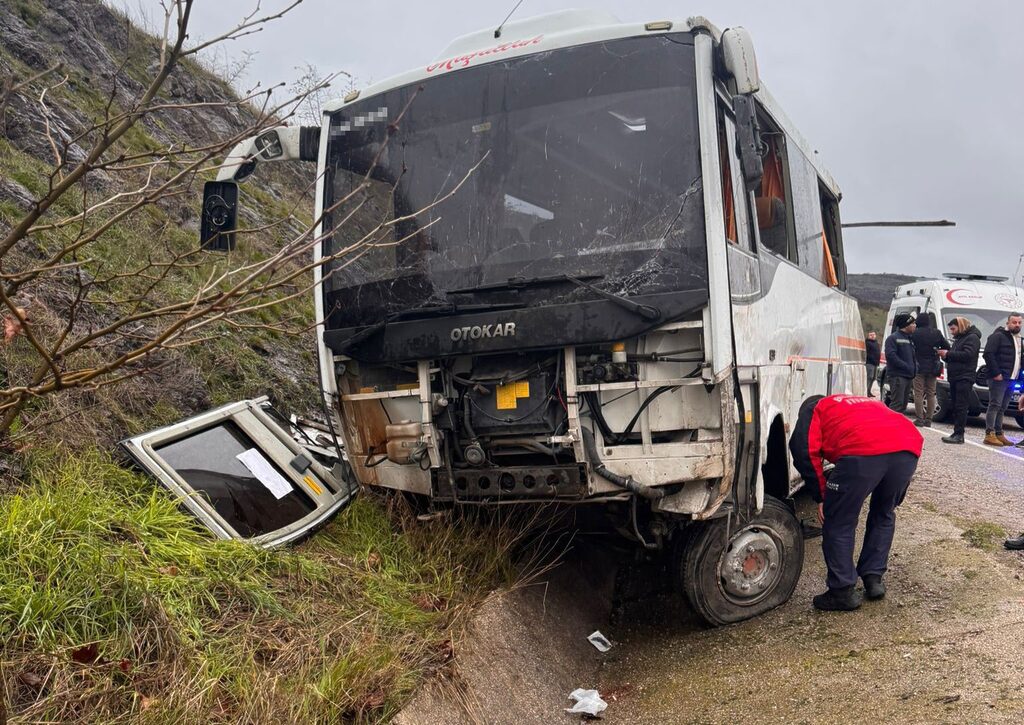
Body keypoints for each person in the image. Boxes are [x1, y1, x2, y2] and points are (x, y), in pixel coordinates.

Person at [789, 394, 923, 611]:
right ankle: (873, 578)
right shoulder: (860, 402)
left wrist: (821, 495)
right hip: (907, 447)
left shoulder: (814, 408)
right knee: (884, 513)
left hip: (862, 451)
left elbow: (803, 450)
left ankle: (841, 592)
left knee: (839, 521)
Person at [981, 311, 1023, 446]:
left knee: (1003, 407)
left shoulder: (1018, 339)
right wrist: (996, 373)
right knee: (995, 405)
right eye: (1014, 322)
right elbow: (988, 354)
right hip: (999, 378)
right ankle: (989, 433)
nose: (1017, 325)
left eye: (1019, 322)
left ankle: (999, 433)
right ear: (1008, 323)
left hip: (1012, 379)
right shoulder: (998, 336)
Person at [939, 317, 982, 444]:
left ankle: (959, 434)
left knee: (961, 406)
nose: (952, 332)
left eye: (953, 329)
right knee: (956, 405)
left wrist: (948, 354)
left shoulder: (972, 338)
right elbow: (956, 356)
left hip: (964, 377)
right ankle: (956, 432)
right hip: (956, 376)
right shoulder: (960, 339)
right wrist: (945, 356)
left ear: (961, 326)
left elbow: (967, 355)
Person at [910, 312, 949, 427]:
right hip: (933, 367)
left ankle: (919, 419)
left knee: (918, 393)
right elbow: (947, 346)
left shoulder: (915, 333)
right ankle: (929, 420)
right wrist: (936, 351)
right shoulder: (936, 333)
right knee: (931, 393)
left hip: (918, 366)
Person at [884, 313, 917, 413]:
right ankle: (888, 427)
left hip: (908, 376)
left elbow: (912, 356)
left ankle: (897, 426)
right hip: (898, 376)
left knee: (903, 405)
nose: (915, 325)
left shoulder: (909, 338)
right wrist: (906, 366)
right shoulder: (893, 338)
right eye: (913, 323)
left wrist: (916, 366)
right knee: (897, 404)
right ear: (906, 325)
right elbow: (891, 356)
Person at [865, 331, 881, 397]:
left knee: (873, 378)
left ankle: (869, 391)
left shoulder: (876, 343)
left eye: (874, 335)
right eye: (871, 335)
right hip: (870, 363)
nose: (872, 336)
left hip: (875, 363)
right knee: (869, 377)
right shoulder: (867, 343)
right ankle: (866, 391)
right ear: (868, 336)